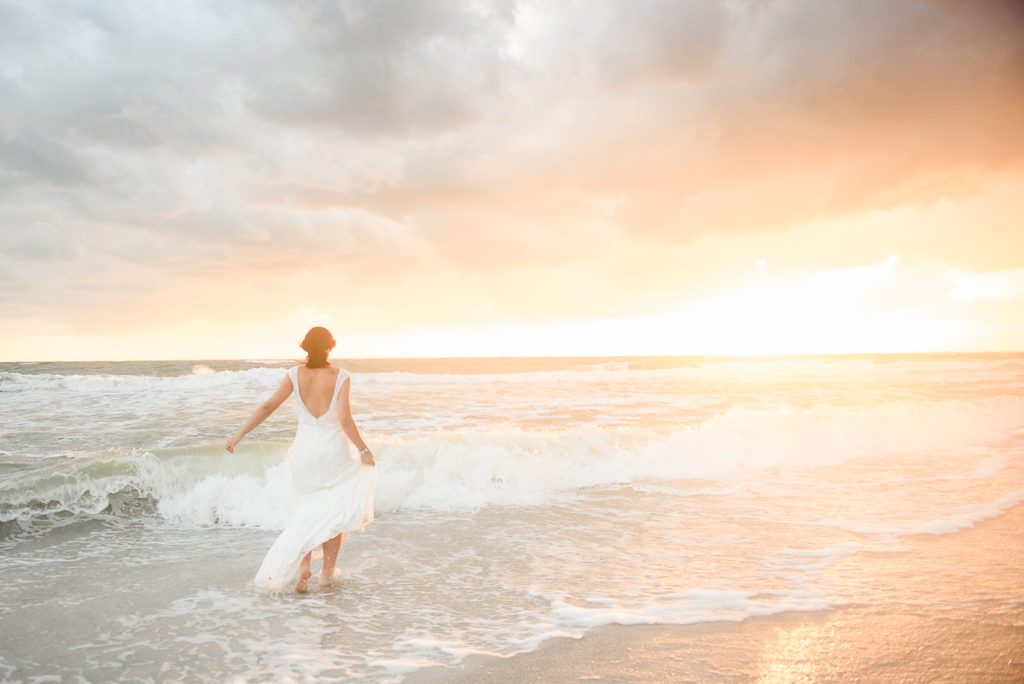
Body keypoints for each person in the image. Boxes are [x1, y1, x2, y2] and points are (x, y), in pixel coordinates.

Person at [226, 326, 377, 593]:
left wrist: (239, 434)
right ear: (331, 346)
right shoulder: (341, 376)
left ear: (305, 346)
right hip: (334, 451)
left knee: (304, 510)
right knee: (334, 513)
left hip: (305, 452)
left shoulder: (293, 375)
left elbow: (267, 407)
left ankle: (304, 567)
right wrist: (364, 450)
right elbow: (344, 419)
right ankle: (327, 574)